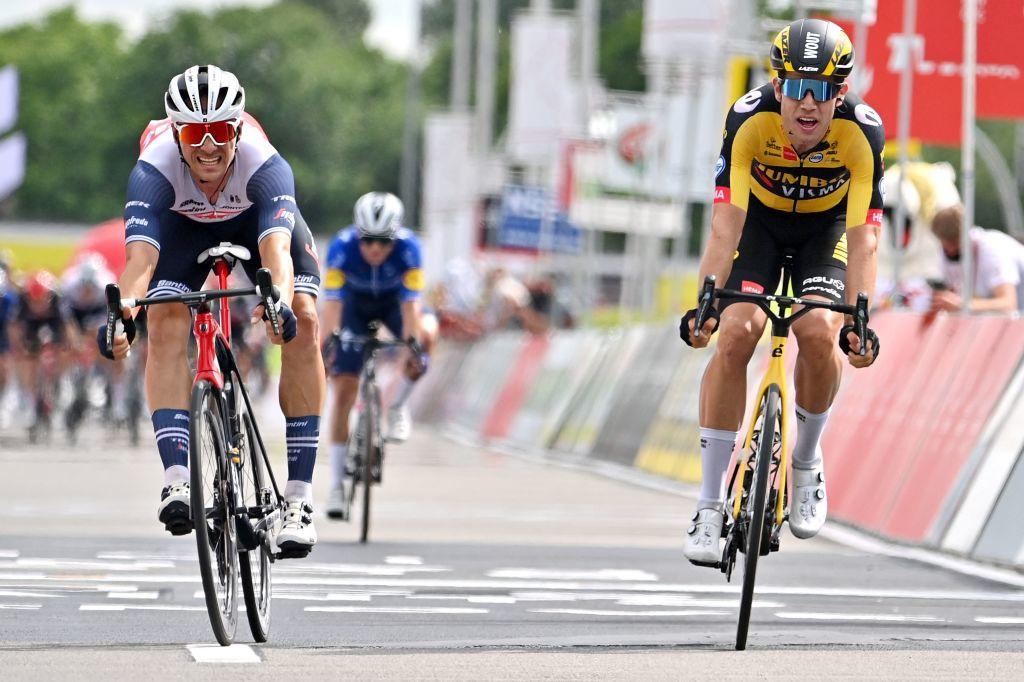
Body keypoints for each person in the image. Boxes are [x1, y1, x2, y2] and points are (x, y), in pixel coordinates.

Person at [98, 65, 325, 555]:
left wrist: (278, 303)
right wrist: (122, 319)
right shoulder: (153, 170)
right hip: (182, 228)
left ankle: (299, 500)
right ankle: (178, 478)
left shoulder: (265, 165)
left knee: (303, 320)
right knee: (163, 318)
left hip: (252, 223)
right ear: (177, 132)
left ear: (237, 129)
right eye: (195, 133)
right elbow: (140, 263)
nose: (207, 146)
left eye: (220, 132)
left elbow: (277, 253)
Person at [679, 19, 882, 566]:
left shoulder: (863, 132)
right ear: (777, 84)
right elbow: (725, 225)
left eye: (823, 91)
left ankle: (807, 461)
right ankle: (708, 503)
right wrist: (706, 304)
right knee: (736, 333)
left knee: (819, 330)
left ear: (841, 94)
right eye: (795, 88)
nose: (808, 104)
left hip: (827, 233)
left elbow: (865, 236)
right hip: (758, 228)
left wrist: (861, 318)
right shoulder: (749, 117)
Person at [320, 192, 433, 518]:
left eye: (383, 242)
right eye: (367, 240)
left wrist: (413, 345)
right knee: (343, 391)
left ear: (395, 237)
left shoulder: (410, 248)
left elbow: (411, 306)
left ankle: (398, 406)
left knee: (427, 334)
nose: (374, 249)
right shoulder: (341, 247)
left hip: (392, 305)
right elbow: (332, 307)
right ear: (358, 234)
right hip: (354, 307)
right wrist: (330, 343)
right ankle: (337, 487)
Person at [929, 203, 1024, 314]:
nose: (950, 250)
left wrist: (963, 304)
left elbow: (1008, 304)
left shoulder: (992, 251)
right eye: (946, 244)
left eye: (954, 243)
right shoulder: (945, 253)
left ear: (966, 234)